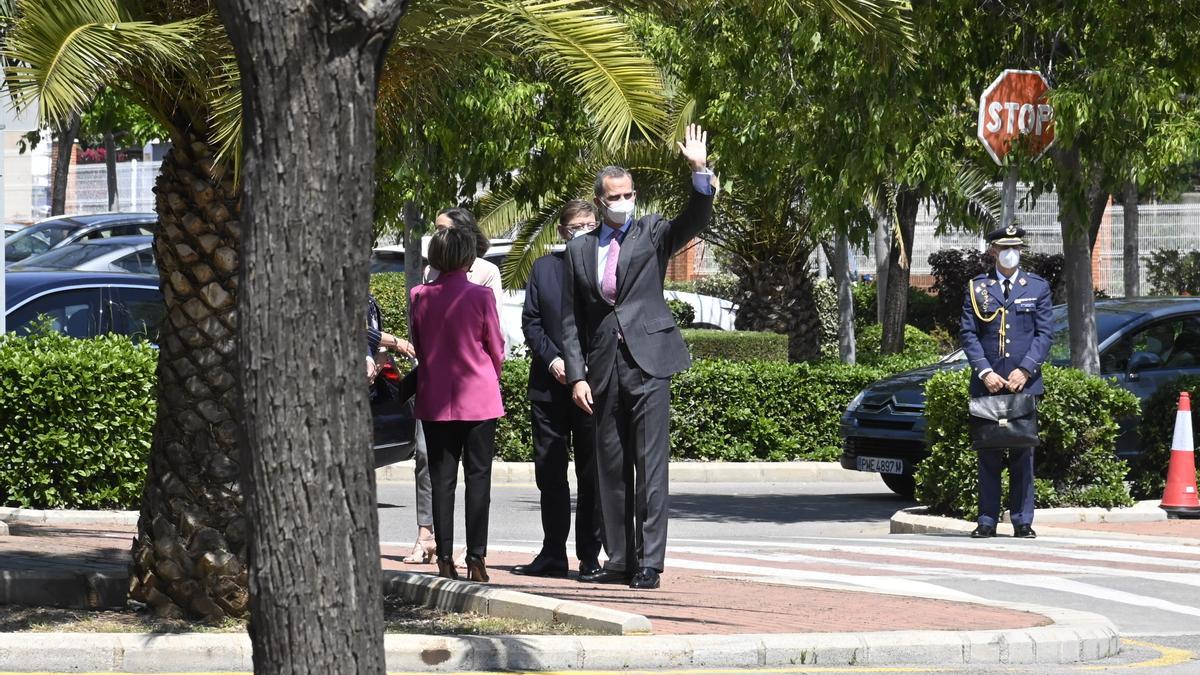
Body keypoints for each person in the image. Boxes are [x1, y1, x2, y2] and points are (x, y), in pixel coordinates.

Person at [560, 124, 715, 589]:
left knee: (649, 468)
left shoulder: (651, 233)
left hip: (650, 361)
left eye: (628, 194)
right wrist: (576, 375)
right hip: (602, 368)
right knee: (610, 466)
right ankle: (620, 558)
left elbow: (694, 219)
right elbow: (571, 319)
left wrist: (699, 170)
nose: (622, 201)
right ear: (599, 201)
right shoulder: (579, 249)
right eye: (613, 196)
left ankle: (649, 562)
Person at [400, 207, 503, 565]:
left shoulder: (419, 295)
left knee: (442, 479)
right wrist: (490, 377)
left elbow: (421, 345)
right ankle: (476, 558)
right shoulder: (481, 295)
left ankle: (443, 555)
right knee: (478, 479)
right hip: (479, 398)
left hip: (435, 397)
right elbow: (497, 348)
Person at [512, 200, 604, 579]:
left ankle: (589, 556)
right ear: (562, 231)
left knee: (592, 473)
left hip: (592, 388)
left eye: (588, 224)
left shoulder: (606, 270)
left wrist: (584, 369)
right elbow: (531, 322)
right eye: (574, 226)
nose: (581, 230)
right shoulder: (544, 268)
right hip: (549, 388)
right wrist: (553, 359)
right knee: (550, 473)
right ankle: (552, 553)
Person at [961, 224, 1053, 539]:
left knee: (1022, 454)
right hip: (988, 383)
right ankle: (986, 520)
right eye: (1004, 248)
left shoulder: (1036, 287)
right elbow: (969, 334)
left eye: (1015, 248)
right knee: (987, 452)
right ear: (993, 251)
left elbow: (1044, 334)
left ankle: (1022, 520)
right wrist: (985, 372)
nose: (1010, 253)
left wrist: (1025, 370)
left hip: (1023, 384)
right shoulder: (978, 288)